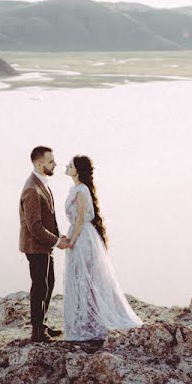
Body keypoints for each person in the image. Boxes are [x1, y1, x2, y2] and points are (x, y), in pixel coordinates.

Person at [62, 155, 143, 341]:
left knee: (84, 277)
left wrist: (72, 240)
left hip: (82, 237)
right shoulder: (76, 189)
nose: (66, 167)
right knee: (79, 277)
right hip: (79, 233)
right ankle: (83, 319)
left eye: (70, 165)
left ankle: (87, 321)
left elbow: (81, 217)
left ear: (78, 170)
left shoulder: (81, 190)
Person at [19, 145, 71, 342]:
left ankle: (42, 324)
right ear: (39, 163)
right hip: (35, 246)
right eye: (51, 161)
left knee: (48, 283)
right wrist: (57, 242)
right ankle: (37, 331)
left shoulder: (42, 183)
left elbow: (48, 217)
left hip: (43, 245)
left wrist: (59, 236)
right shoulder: (32, 189)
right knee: (40, 286)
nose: (55, 164)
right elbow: (35, 226)